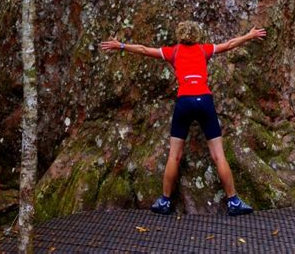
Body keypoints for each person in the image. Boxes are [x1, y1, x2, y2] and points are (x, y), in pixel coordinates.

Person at [100, 19, 266, 216]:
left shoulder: (174, 52)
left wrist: (120, 45)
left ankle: (165, 201)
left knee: (175, 155)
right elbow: (229, 45)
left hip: (184, 101)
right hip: (204, 100)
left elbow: (144, 49)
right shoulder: (204, 50)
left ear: (179, 35)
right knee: (218, 155)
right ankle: (233, 201)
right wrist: (249, 35)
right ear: (197, 35)